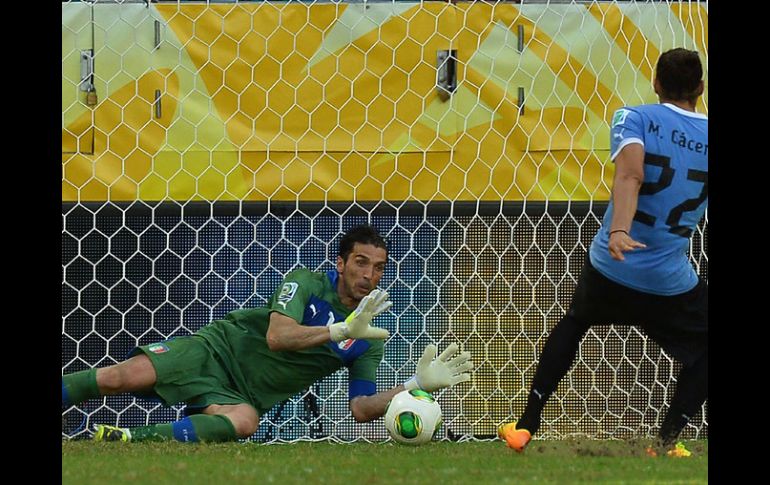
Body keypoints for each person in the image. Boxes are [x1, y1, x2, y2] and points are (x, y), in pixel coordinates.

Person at [62, 224, 474, 443]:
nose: (369, 275)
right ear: (341, 262)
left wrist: (415, 386)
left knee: (245, 422)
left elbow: (362, 408)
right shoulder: (307, 283)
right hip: (215, 351)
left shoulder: (368, 335)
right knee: (119, 377)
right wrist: (337, 331)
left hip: (243, 395)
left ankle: (129, 438)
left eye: (378, 267)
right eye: (361, 263)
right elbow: (278, 336)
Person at [498, 48, 707, 458]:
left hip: (613, 265)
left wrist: (619, 232)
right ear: (700, 88)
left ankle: (525, 426)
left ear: (656, 84)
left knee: (575, 323)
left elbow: (630, 173)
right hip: (669, 281)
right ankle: (666, 442)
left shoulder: (634, 117)